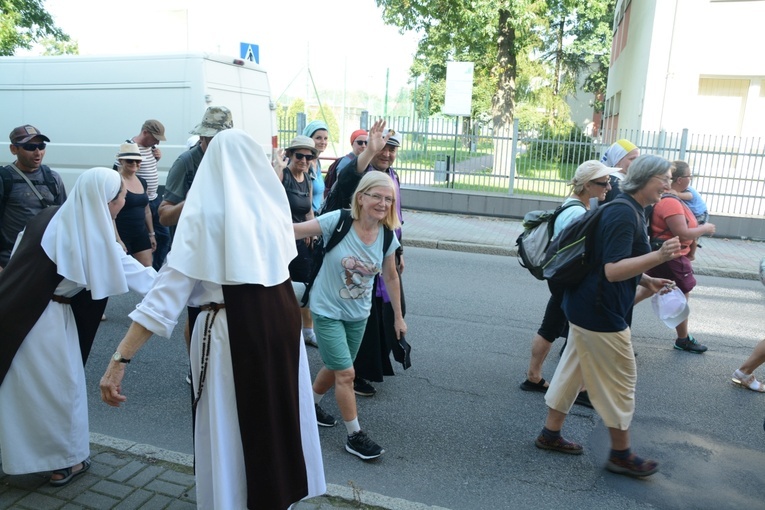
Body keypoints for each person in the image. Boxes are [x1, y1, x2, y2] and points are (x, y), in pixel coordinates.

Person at [100, 129, 325, 509]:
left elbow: (165, 297)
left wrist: (118, 360)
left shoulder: (205, 214)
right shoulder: (271, 209)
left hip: (229, 330)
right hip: (280, 324)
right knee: (275, 412)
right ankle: (273, 495)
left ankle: (231, 499)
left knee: (229, 424)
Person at [0, 167, 156, 486]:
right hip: (50, 325)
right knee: (61, 393)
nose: (124, 200)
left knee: (16, 392)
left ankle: (13, 456)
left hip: (14, 315)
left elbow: (17, 258)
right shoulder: (95, 240)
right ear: (106, 202)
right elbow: (149, 282)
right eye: (122, 196)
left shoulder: (47, 216)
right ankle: (65, 463)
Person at [535, 154, 681, 478]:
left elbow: (611, 260)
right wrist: (657, 256)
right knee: (621, 379)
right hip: (600, 311)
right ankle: (621, 454)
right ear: (644, 179)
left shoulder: (627, 208)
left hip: (586, 305)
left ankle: (550, 433)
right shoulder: (624, 214)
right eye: (664, 179)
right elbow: (612, 270)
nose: (669, 185)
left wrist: (647, 279)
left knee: (573, 368)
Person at [294, 169, 405, 460]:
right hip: (327, 309)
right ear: (361, 197)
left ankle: (305, 406)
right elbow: (292, 231)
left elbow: (391, 277)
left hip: (359, 314)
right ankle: (354, 436)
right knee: (346, 373)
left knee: (334, 366)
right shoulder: (339, 221)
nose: (383, 203)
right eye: (377, 196)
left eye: (388, 199)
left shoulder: (386, 236)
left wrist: (398, 317)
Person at [520, 160, 617, 408]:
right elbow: (581, 252)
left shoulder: (573, 206)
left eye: (609, 181)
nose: (609, 186)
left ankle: (534, 377)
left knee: (552, 325)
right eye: (604, 182)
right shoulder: (577, 213)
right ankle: (581, 389)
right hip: (570, 279)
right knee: (582, 333)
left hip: (561, 277)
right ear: (587, 185)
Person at [332, 119, 406, 397]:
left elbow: (396, 218)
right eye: (383, 149)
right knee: (364, 318)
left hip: (385, 252)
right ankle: (353, 374)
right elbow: (347, 181)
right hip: (361, 259)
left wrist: (399, 251)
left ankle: (363, 367)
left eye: (392, 150)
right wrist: (368, 153)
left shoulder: (393, 177)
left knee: (389, 314)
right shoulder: (365, 174)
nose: (387, 154)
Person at [635, 162, 716, 353]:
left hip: (669, 255)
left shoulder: (673, 199)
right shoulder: (670, 202)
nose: (691, 179)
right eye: (689, 176)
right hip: (673, 256)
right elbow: (683, 232)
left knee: (647, 288)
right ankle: (683, 339)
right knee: (682, 293)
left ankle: (613, 312)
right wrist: (706, 228)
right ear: (680, 180)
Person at [0, 124, 66, 269]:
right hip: (11, 260)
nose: (38, 153)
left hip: (45, 258)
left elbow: (64, 218)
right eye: (30, 147)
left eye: (41, 146)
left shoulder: (53, 178)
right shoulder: (4, 178)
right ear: (13, 149)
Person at [158, 106, 233, 233]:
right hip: (193, 243)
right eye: (213, 139)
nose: (218, 145)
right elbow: (164, 217)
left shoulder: (231, 159)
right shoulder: (185, 163)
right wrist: (189, 202)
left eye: (222, 139)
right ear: (201, 137)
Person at [275, 135, 319, 347]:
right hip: (279, 240)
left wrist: (313, 231)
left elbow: (308, 209)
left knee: (304, 285)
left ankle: (307, 330)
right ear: (290, 155)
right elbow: (269, 195)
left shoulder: (308, 179)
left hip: (301, 240)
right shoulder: (282, 175)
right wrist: (277, 167)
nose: (303, 160)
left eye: (308, 156)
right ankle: (282, 328)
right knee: (281, 285)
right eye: (299, 155)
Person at [118, 119, 170, 271]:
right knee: (141, 238)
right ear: (145, 132)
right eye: (155, 138)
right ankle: (143, 271)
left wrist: (157, 159)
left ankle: (156, 271)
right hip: (139, 201)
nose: (157, 143)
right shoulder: (129, 147)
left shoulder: (151, 148)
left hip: (154, 198)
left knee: (165, 237)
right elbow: (118, 173)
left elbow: (146, 168)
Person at [114, 142, 155, 267]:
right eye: (130, 161)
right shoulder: (115, 181)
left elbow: (146, 210)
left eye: (138, 161)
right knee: (122, 272)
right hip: (122, 232)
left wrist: (151, 234)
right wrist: (118, 240)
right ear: (121, 161)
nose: (135, 164)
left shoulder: (143, 182)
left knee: (148, 270)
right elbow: (110, 214)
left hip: (140, 233)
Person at [323, 129, 368, 198]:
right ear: (352, 144)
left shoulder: (367, 161)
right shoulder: (345, 162)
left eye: (366, 142)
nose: (364, 145)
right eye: (360, 142)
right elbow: (341, 185)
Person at [669, 160, 709, 225]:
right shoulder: (671, 189)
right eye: (689, 176)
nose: (690, 178)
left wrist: (677, 194)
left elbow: (689, 195)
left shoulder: (685, 188)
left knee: (696, 228)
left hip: (700, 214)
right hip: (692, 214)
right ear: (679, 180)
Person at [600, 139, 639, 203]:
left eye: (637, 159)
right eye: (632, 159)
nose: (636, 162)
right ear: (617, 160)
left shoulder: (617, 179)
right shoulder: (616, 185)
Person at [303, 120, 329, 215]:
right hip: (309, 219)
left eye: (325, 138)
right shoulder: (305, 164)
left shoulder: (317, 162)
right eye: (318, 138)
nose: (323, 142)